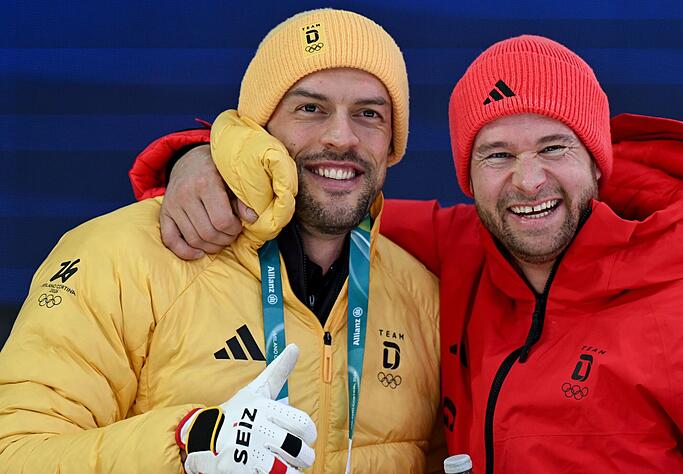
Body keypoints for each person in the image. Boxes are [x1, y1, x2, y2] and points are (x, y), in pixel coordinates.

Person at [128, 35, 683, 472]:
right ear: (469, 177)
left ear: (597, 165)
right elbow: (318, 198)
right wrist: (205, 161)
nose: (528, 180)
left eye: (554, 148)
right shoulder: (458, 253)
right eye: (498, 155)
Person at [0, 9, 444, 473]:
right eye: (310, 108)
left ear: (393, 143)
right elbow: (15, 453)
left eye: (368, 114)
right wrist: (189, 442)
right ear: (258, 126)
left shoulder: (421, 300)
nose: (340, 136)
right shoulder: (121, 256)